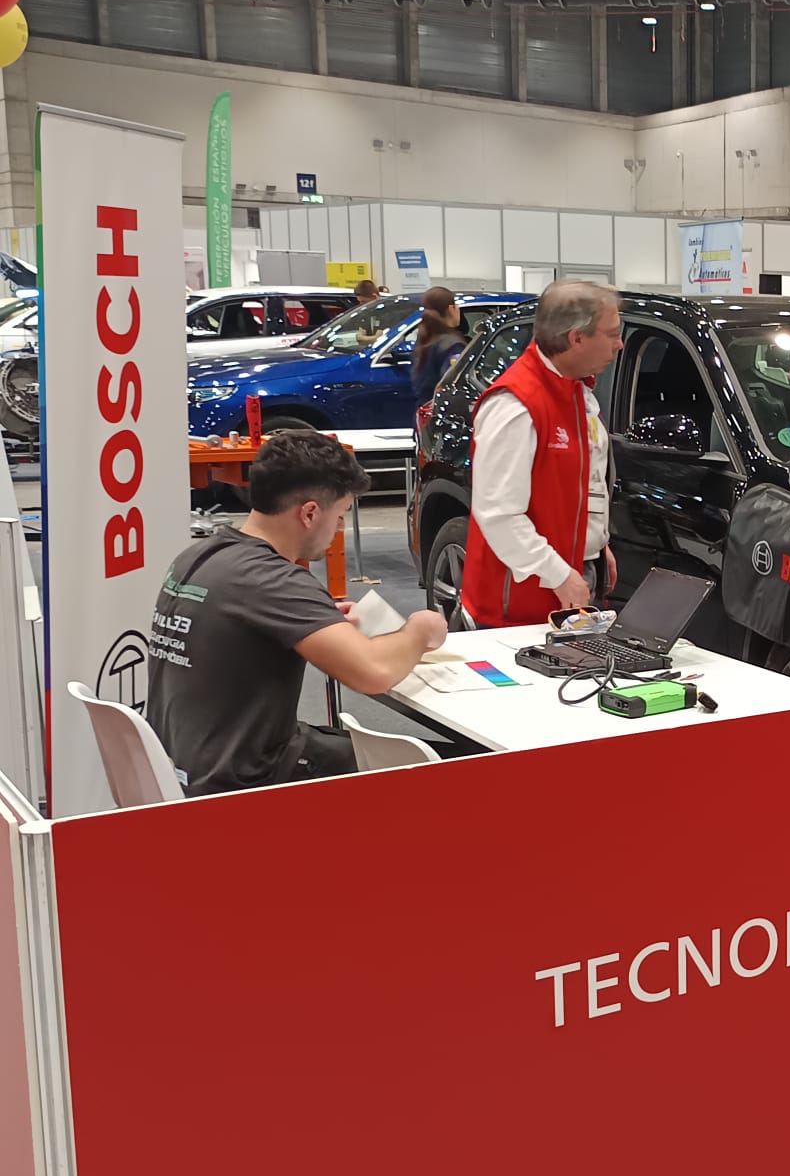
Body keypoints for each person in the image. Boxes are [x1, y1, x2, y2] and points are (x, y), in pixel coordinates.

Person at [146, 431, 448, 797]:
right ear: (309, 513)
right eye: (340, 516)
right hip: (245, 783)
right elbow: (374, 673)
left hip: (184, 768)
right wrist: (420, 629)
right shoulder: (273, 579)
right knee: (457, 764)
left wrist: (318, 620)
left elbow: (236, 629)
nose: (338, 530)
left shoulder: (199, 557)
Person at [459, 279, 623, 626]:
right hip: (523, 598)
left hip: (571, 574)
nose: (620, 344)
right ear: (576, 338)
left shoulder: (576, 391)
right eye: (612, 334)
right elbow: (499, 515)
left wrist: (596, 544)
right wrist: (558, 574)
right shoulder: (516, 405)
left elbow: (585, 481)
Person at [411, 285, 468, 406]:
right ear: (451, 309)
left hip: (423, 408)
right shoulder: (452, 346)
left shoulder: (424, 339)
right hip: (439, 409)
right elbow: (453, 385)